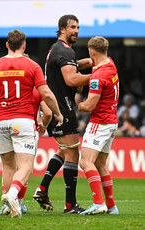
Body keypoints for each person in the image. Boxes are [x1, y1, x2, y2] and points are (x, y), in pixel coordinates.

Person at [0, 29, 63, 218]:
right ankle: (12, 195)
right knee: (26, 166)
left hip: (1, 120)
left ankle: (10, 204)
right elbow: (47, 95)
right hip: (23, 120)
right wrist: (58, 114)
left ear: (7, 45)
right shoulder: (32, 66)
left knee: (8, 166)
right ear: (24, 45)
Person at [33, 14, 92, 214]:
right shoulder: (64, 51)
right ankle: (70, 205)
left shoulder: (57, 49)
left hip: (55, 107)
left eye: (78, 27)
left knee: (64, 150)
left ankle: (42, 189)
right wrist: (99, 75)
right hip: (62, 109)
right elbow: (72, 79)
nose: (76, 30)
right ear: (62, 28)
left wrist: (95, 62)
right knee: (73, 153)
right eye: (72, 27)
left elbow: (73, 66)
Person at [78, 36, 119, 215]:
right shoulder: (110, 64)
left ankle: (98, 203)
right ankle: (111, 206)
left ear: (92, 51)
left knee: (86, 162)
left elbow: (89, 106)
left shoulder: (98, 76)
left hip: (99, 122)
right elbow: (92, 63)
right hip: (111, 122)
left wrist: (76, 105)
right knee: (101, 164)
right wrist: (76, 64)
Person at [0, 86, 52, 215]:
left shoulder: (6, 85)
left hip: (3, 124)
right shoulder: (37, 89)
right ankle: (17, 204)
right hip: (26, 127)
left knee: (8, 167)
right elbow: (48, 113)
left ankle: (7, 204)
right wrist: (44, 125)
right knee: (24, 167)